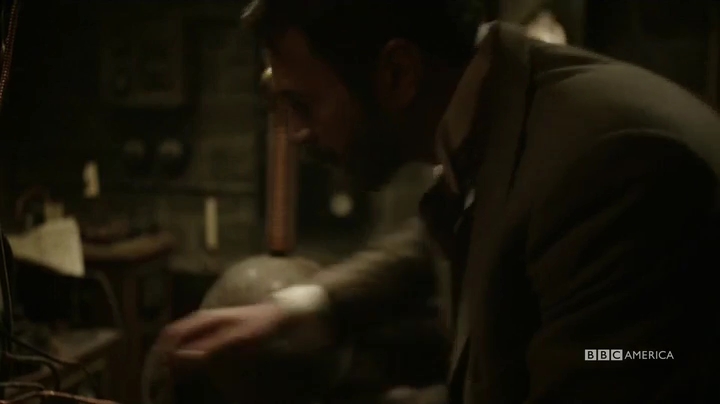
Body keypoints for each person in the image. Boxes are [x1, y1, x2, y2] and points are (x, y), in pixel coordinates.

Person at [156, 0, 720, 402]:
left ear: (398, 73)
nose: (296, 134)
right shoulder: (501, 112)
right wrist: (308, 306)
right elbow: (442, 237)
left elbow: (617, 365)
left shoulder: (608, 166)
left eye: (302, 105)